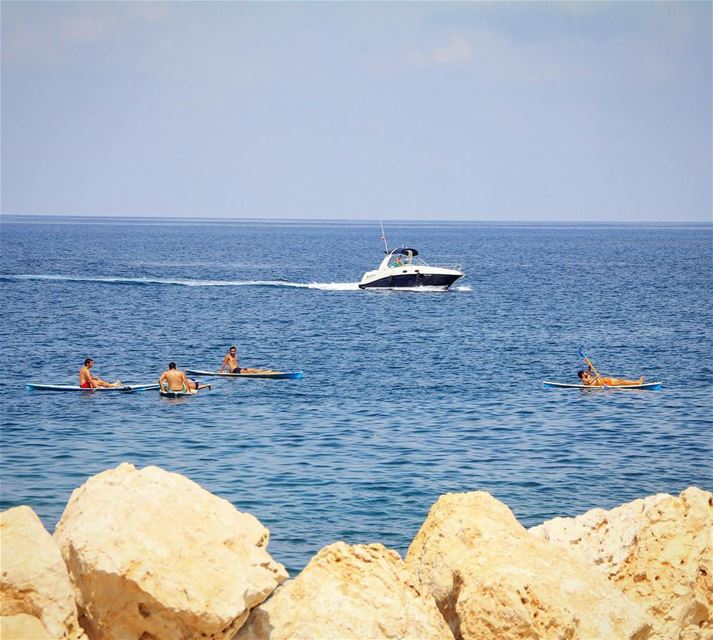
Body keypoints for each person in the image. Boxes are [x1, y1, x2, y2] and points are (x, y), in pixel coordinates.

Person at [577, 364, 644, 387]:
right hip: (606, 383)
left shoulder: (586, 377)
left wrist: (589, 366)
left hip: (606, 381)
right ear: (582, 374)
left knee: (621, 381)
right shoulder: (584, 381)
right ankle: (637, 382)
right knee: (621, 381)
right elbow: (589, 382)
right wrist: (596, 376)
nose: (586, 373)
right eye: (584, 372)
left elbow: (589, 373)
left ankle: (636, 382)